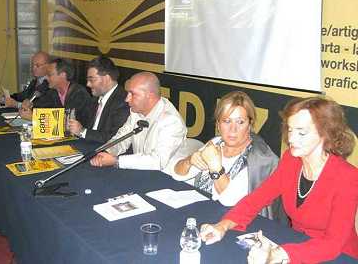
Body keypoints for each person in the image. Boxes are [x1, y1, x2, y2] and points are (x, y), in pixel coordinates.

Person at [200, 96, 358, 263]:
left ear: (325, 133)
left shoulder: (347, 177)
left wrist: (278, 254)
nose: (291, 139)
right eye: (290, 130)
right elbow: (256, 199)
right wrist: (223, 225)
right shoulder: (291, 160)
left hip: (339, 256)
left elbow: (332, 244)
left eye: (301, 132)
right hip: (297, 244)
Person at [171, 91, 284, 221]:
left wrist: (215, 167)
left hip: (238, 225)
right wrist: (189, 161)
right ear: (218, 124)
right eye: (227, 121)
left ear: (250, 125)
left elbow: (229, 200)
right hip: (203, 214)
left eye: (240, 122)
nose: (233, 129)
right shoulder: (216, 142)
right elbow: (177, 175)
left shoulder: (260, 158)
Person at [90, 72, 187, 172]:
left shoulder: (171, 121)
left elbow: (158, 161)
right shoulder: (136, 111)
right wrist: (107, 152)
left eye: (133, 94)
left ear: (150, 96)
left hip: (166, 177)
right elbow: (121, 138)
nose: (127, 99)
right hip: (141, 171)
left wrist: (116, 161)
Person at [67, 56, 129, 143]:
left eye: (91, 80)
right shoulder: (95, 98)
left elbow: (114, 138)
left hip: (105, 151)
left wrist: (82, 131)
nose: (88, 84)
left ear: (106, 79)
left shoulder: (123, 102)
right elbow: (83, 122)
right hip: (87, 144)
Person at [20, 58, 93, 127]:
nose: (46, 78)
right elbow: (40, 106)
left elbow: (67, 122)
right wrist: (29, 104)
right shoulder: (53, 92)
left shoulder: (79, 93)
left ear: (63, 75)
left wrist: (34, 118)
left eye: (50, 75)